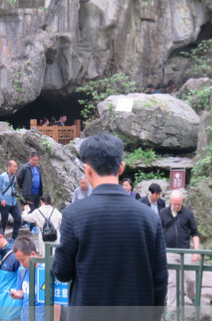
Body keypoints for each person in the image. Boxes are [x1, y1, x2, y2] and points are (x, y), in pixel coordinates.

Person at [52, 132, 168, 321]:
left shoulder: (74, 215)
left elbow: (62, 272)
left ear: (87, 170)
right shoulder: (149, 217)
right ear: (121, 167)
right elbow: (160, 280)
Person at [160, 189, 200, 312]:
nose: (177, 206)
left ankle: (192, 297)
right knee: (172, 281)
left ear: (182, 201)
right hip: (170, 251)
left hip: (185, 251)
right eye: (175, 203)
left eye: (179, 203)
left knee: (191, 279)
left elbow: (194, 233)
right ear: (170, 201)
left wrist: (196, 251)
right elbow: (159, 232)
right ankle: (172, 307)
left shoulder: (187, 213)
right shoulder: (163, 213)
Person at [11, 237, 44, 321]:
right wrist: (18, 294)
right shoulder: (21, 270)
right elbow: (21, 290)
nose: (21, 264)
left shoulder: (45, 271)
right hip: (25, 315)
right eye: (18, 261)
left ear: (33, 254)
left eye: (22, 260)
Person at [0, 160, 22, 240]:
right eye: (14, 166)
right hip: (5, 202)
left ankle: (14, 237)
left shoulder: (14, 177)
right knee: (4, 221)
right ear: (9, 167)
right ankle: (1, 236)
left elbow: (13, 188)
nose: (16, 168)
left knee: (18, 218)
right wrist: (1, 199)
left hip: (13, 202)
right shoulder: (2, 176)